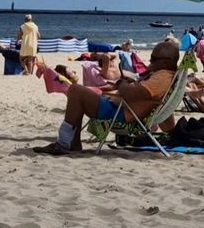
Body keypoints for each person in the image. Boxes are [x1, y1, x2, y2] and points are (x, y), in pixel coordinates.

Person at [34, 40, 180, 155]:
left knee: (75, 90)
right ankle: (70, 143)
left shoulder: (162, 77)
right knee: (79, 91)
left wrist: (122, 84)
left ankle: (66, 143)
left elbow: (129, 94)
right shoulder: (165, 75)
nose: (150, 61)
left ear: (166, 61)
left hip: (122, 113)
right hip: (123, 108)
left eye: (154, 59)